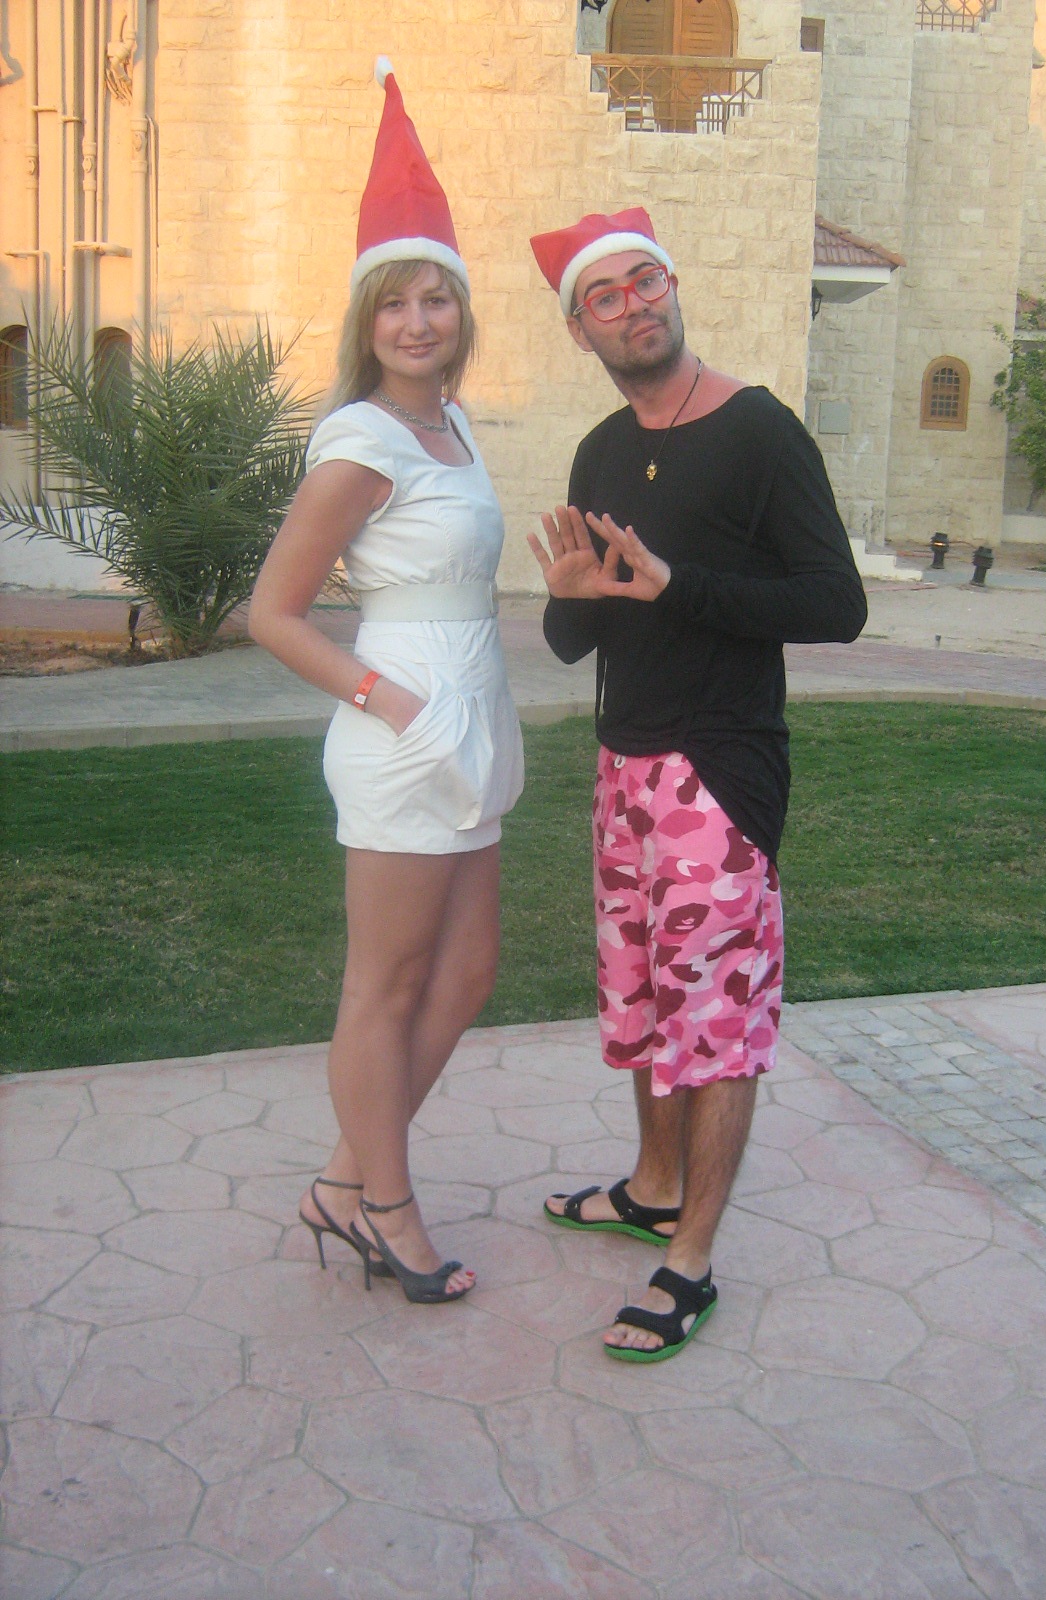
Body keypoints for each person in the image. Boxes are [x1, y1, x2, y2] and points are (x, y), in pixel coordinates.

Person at [527, 208, 867, 1359]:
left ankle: (691, 1260)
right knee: (639, 1001)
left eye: (646, 280)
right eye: (605, 296)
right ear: (580, 329)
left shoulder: (760, 430)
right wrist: (573, 595)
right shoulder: (600, 451)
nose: (634, 304)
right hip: (622, 766)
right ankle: (653, 1185)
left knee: (714, 1024)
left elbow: (836, 604)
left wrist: (683, 585)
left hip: (719, 772)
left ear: (674, 286)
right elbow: (575, 636)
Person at [249, 59, 523, 1304]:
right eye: (396, 303)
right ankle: (387, 1207)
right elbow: (274, 612)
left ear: (462, 311)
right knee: (388, 983)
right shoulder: (360, 440)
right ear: (366, 322)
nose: (419, 321)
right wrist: (393, 706)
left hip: (473, 719)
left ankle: (342, 1179)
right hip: (403, 725)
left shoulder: (452, 429)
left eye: (438, 298)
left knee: (465, 977)